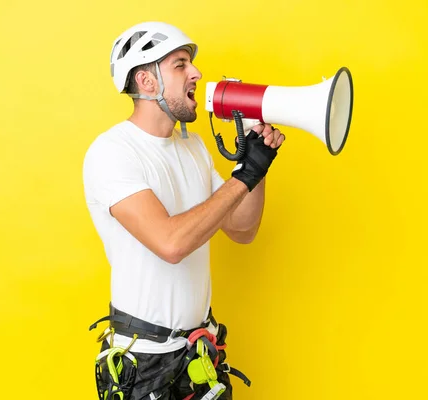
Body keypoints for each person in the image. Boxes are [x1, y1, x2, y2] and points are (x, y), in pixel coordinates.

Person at [83, 21, 285, 400]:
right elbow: (171, 243)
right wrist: (246, 176)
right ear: (146, 81)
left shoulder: (193, 149)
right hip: (143, 362)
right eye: (180, 65)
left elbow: (242, 229)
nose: (196, 73)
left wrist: (255, 168)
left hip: (198, 353)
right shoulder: (112, 152)